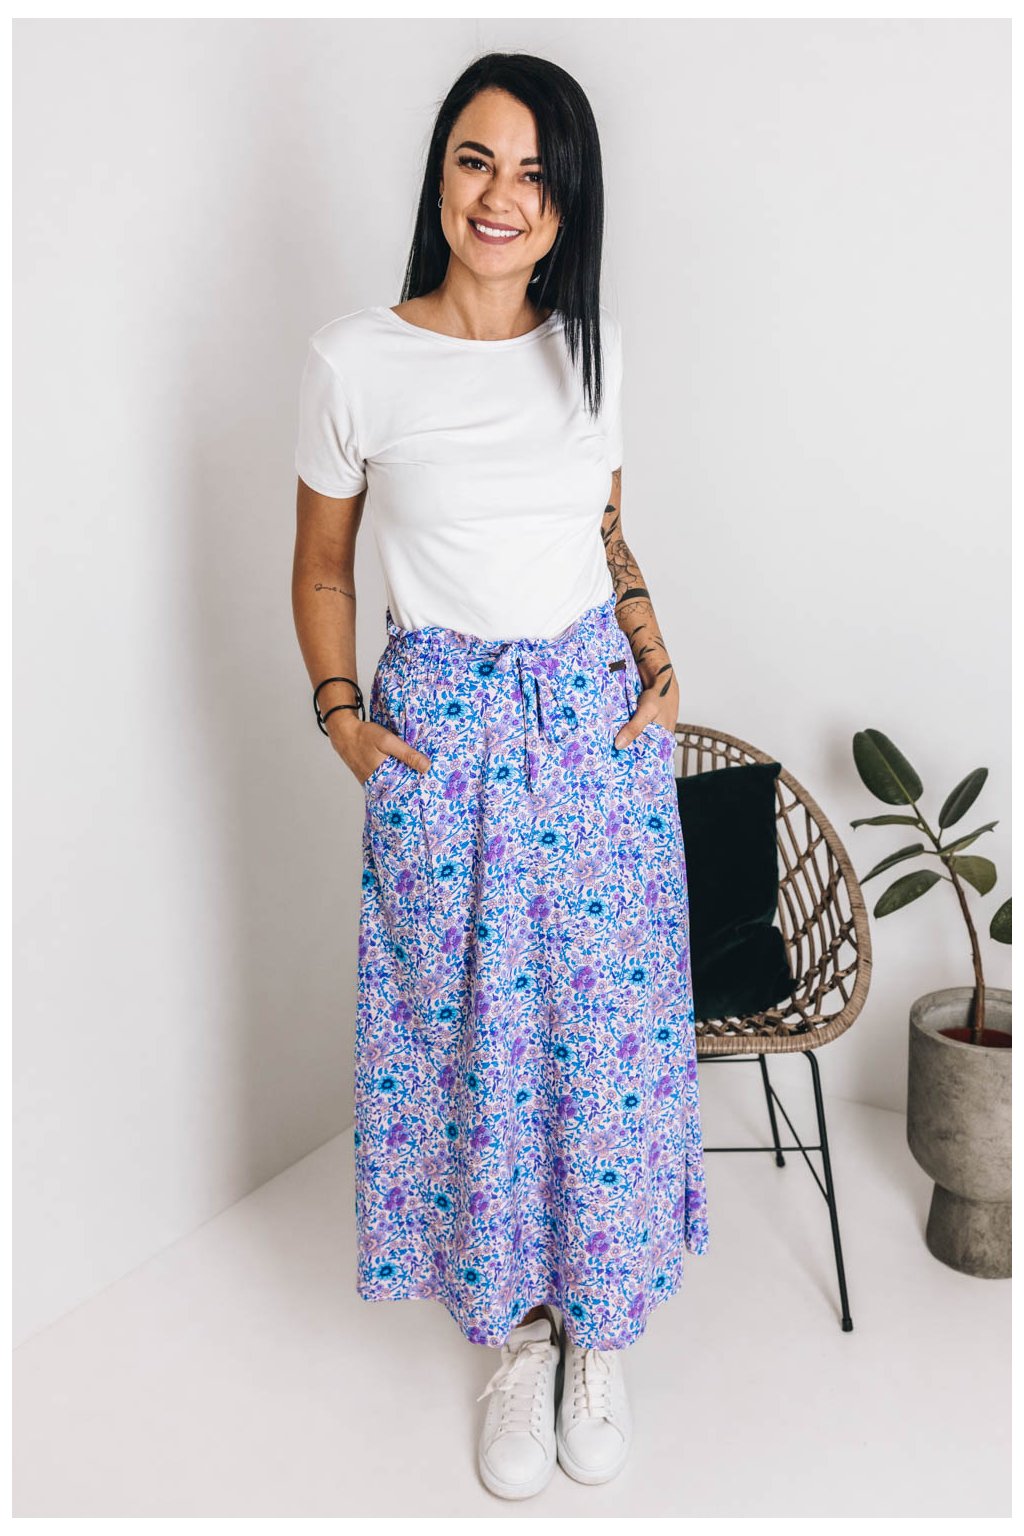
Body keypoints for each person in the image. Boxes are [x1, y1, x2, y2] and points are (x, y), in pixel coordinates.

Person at [291, 51, 709, 1501]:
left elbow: (605, 532)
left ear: (565, 204)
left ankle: (602, 1324)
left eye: (536, 173)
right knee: (471, 1039)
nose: (502, 196)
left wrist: (657, 660)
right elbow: (324, 565)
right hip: (446, 736)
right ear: (439, 177)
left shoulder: (590, 352)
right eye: (478, 159)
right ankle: (519, 1331)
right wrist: (344, 720)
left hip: (593, 729)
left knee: (602, 1036)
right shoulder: (356, 362)